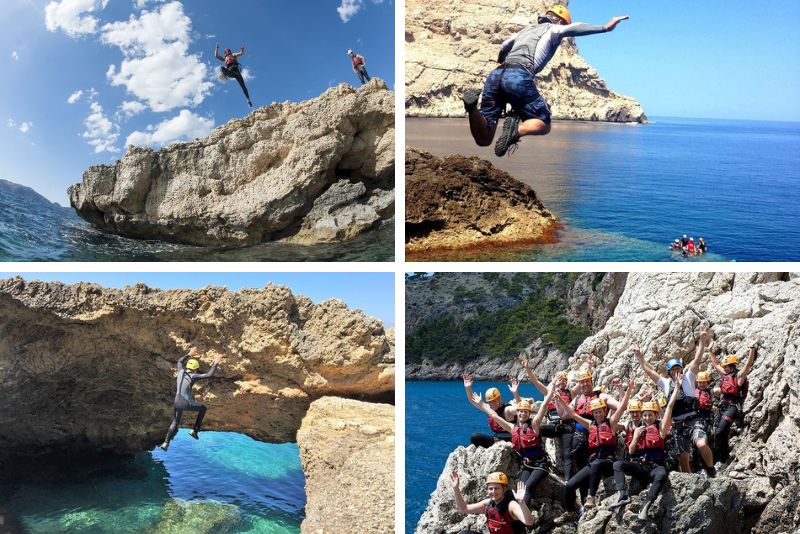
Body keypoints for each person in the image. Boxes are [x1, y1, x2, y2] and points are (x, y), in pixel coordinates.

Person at [462, 6, 629, 157]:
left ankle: (471, 108)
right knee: (544, 123)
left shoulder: (524, 31)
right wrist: (605, 28)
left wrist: (500, 62)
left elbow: (505, 45)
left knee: (484, 139)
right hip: (518, 75)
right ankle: (516, 130)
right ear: (560, 20)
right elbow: (576, 27)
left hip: (495, 75)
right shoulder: (554, 28)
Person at [632, 334, 717, 476]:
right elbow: (649, 371)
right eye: (673, 370)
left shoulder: (689, 378)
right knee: (682, 456)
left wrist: (702, 341)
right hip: (678, 423)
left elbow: (697, 360)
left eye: (678, 369)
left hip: (694, 419)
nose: (676, 371)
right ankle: (690, 479)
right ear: (669, 373)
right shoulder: (665, 384)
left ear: (681, 369)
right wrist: (639, 356)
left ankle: (710, 468)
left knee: (701, 444)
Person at [553, 379, 634, 525]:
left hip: (608, 461)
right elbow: (572, 414)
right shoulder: (590, 424)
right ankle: (570, 511)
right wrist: (560, 400)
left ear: (605, 411)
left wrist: (628, 389)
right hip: (594, 462)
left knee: (596, 464)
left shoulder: (611, 422)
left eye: (600, 412)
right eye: (595, 412)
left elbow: (622, 407)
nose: (597, 415)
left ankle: (591, 497)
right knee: (570, 485)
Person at [473, 386, 556, 505]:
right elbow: (495, 416)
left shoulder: (534, 425)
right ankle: (523, 512)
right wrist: (482, 404)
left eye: (525, 412)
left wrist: (550, 394)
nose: (522, 414)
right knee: (521, 490)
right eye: (520, 411)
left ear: (528, 413)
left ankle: (524, 516)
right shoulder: (513, 428)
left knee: (526, 488)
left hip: (540, 464)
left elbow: (543, 408)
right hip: (526, 464)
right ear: (517, 413)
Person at [609, 382, 680, 520]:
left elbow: (670, 407)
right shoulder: (638, 429)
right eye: (645, 415)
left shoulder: (660, 428)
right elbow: (630, 452)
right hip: (641, 466)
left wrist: (676, 389)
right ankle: (622, 494)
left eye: (650, 415)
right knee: (617, 465)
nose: (647, 418)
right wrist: (635, 437)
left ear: (655, 415)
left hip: (656, 466)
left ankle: (646, 505)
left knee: (661, 474)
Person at [519, 356, 577, 480]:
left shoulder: (569, 393)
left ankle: (567, 480)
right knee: (535, 432)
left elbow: (582, 385)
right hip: (553, 425)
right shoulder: (549, 392)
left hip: (566, 426)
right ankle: (534, 457)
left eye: (564, 380)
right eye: (560, 379)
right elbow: (536, 382)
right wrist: (528, 368)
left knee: (567, 454)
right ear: (554, 380)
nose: (562, 382)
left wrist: (589, 366)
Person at [160, 347, 223, 451]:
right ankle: (194, 431)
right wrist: (216, 362)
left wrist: (189, 354)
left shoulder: (180, 372)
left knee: (175, 422)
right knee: (203, 408)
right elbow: (209, 375)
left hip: (176, 402)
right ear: (195, 369)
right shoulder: (193, 376)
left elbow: (180, 361)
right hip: (185, 403)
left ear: (187, 366)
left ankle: (166, 443)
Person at [709, 339, 758, 468]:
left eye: (726, 367)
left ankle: (723, 460)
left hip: (732, 407)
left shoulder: (738, 376)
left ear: (732, 366)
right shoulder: (725, 375)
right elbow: (715, 364)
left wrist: (752, 349)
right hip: (723, 406)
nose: (724, 369)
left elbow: (748, 365)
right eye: (724, 367)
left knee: (720, 432)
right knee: (718, 434)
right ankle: (720, 459)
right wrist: (709, 351)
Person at [451, 471, 534, 534]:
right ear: (487, 490)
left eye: (497, 488)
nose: (493, 491)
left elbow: (529, 522)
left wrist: (521, 503)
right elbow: (463, 509)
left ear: (504, 489)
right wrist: (456, 489)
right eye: (490, 488)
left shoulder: (511, 505)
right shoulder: (488, 504)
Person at [464, 373, 517, 447]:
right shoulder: (489, 408)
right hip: (496, 440)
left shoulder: (507, 410)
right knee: (475, 437)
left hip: (510, 442)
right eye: (490, 402)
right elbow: (473, 401)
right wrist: (468, 387)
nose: (492, 404)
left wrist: (515, 394)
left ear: (500, 399)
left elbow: (519, 409)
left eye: (495, 401)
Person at [215, 44, 253, 108]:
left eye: (229, 50)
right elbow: (216, 56)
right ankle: (224, 76)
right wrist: (217, 48)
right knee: (221, 68)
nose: (228, 51)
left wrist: (242, 50)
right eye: (227, 51)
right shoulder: (224, 58)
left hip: (237, 72)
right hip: (230, 72)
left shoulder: (233, 55)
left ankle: (248, 100)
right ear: (225, 52)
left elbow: (240, 53)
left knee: (243, 86)